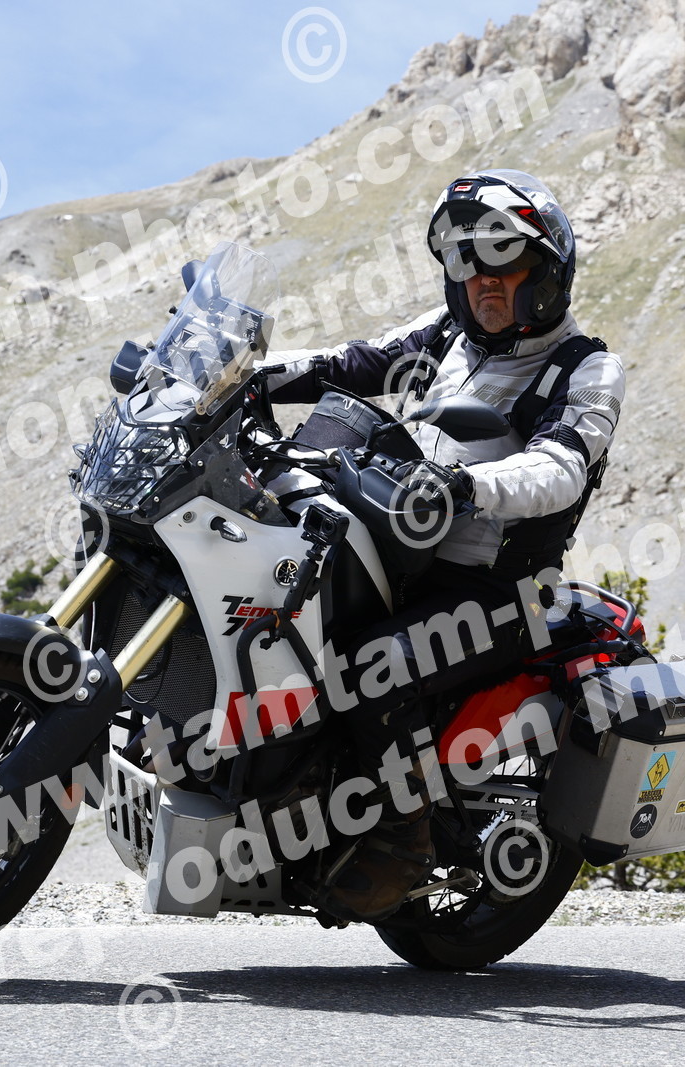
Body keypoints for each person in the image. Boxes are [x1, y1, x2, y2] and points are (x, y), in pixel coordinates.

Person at [262, 169, 627, 921]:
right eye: (467, 265)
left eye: (504, 264)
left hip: (496, 594)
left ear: (547, 273)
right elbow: (350, 362)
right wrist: (245, 378)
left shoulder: (586, 367)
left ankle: (401, 840)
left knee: (372, 669)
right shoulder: (444, 335)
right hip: (404, 558)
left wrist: (467, 485)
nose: (483, 282)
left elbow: (560, 468)